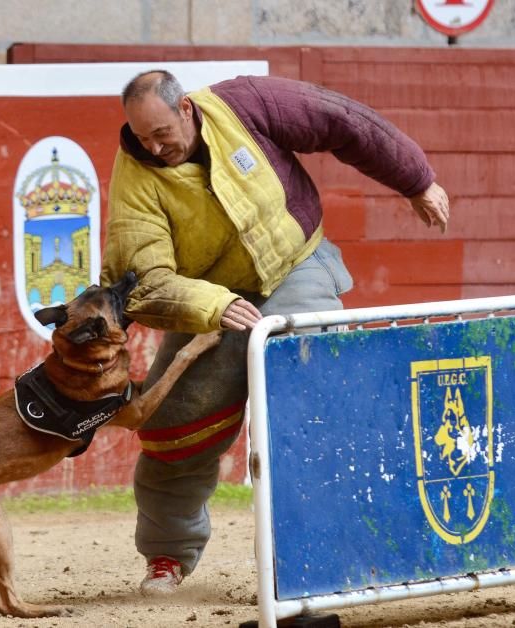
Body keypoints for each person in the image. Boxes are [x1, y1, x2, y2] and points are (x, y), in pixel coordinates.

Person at [100, 70, 449, 595]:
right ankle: (167, 556)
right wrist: (215, 304)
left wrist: (416, 179)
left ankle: (317, 552)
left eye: (162, 133)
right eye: (142, 137)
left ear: (187, 110)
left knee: (318, 410)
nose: (153, 146)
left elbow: (342, 120)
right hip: (208, 301)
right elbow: (145, 283)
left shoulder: (247, 103)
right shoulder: (136, 173)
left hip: (294, 267)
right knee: (171, 428)